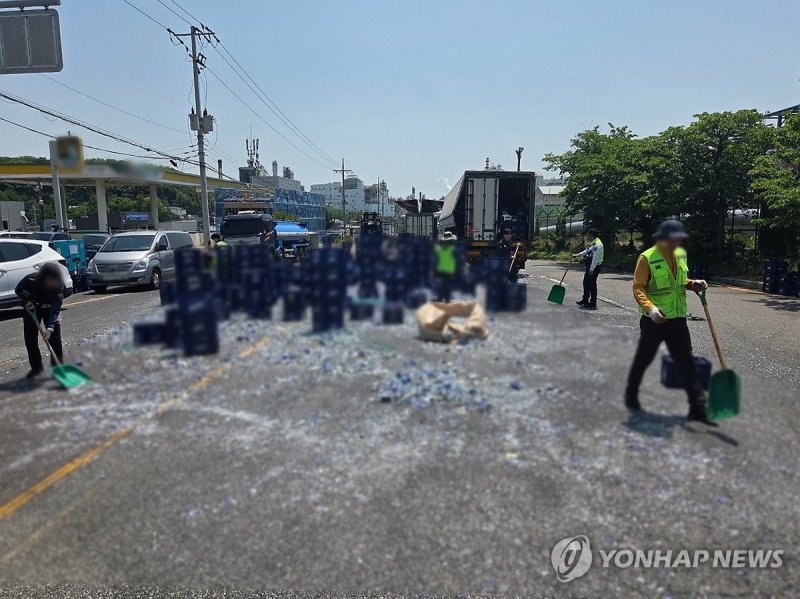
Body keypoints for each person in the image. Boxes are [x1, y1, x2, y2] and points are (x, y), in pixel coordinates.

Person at [625, 219, 714, 425]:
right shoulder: (646, 257)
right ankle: (631, 395)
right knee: (644, 359)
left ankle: (697, 409)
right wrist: (651, 309)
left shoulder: (680, 255)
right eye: (674, 238)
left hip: (677, 320)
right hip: (654, 320)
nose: (677, 243)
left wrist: (694, 284)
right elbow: (638, 287)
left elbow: (680, 282)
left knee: (687, 362)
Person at [15, 262, 66, 378]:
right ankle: (36, 368)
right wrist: (27, 301)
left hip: (50, 310)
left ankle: (58, 369)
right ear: (43, 277)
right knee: (30, 339)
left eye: (54, 280)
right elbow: (18, 290)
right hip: (32, 309)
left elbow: (56, 308)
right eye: (50, 279)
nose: (53, 282)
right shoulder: (30, 280)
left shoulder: (59, 286)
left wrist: (50, 328)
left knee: (55, 340)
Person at [573, 228, 604, 310]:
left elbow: (595, 258)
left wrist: (592, 268)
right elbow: (587, 251)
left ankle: (593, 302)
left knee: (592, 284)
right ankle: (585, 299)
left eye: (588, 235)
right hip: (590, 266)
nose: (587, 236)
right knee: (586, 282)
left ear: (591, 235)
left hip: (594, 266)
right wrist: (578, 255)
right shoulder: (593, 243)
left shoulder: (598, 245)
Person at [434, 235, 458, 302]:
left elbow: (435, 259)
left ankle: (441, 298)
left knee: (442, 285)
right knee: (447, 285)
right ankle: (446, 299)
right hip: (449, 271)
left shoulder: (438, 249)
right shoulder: (452, 249)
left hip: (440, 270)